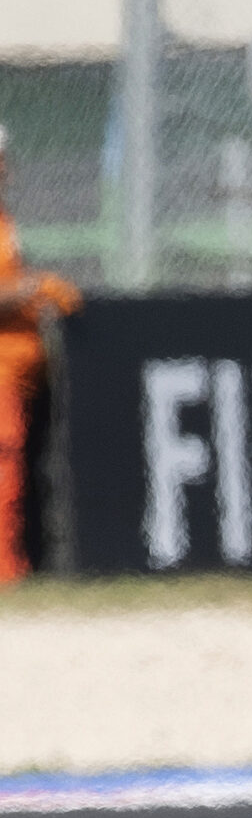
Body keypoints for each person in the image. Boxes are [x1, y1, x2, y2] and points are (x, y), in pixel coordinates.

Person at [0, 124, 82, 582]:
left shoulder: (4, 220)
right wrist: (34, 289)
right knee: (4, 475)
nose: (6, 168)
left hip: (20, 375)